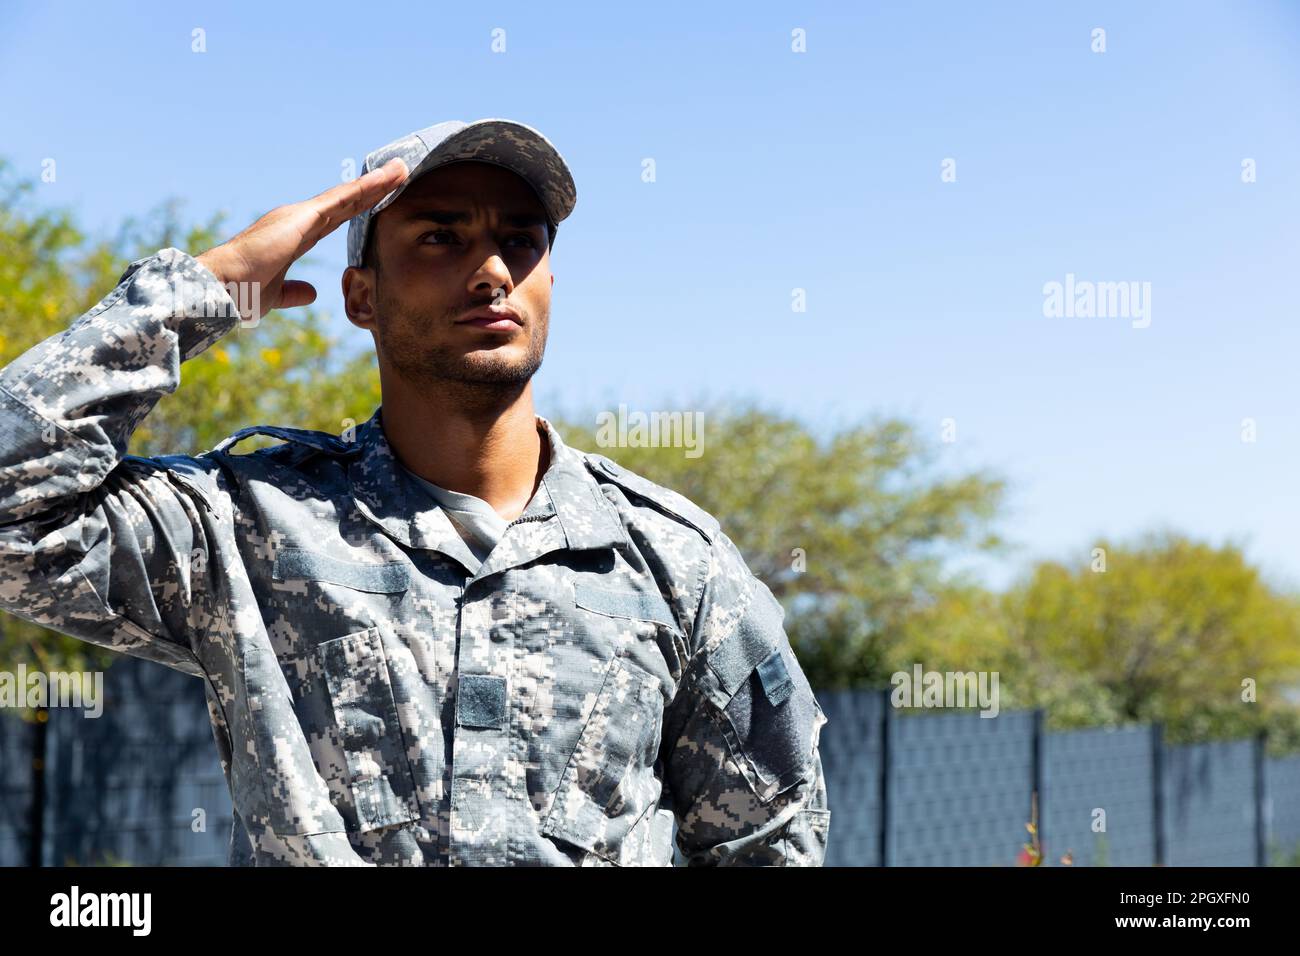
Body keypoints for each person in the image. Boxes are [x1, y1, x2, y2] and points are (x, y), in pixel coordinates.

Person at [0, 118, 830, 866]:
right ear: (362, 296)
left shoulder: (675, 565)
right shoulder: (249, 524)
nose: (493, 271)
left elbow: (773, 843)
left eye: (522, 240)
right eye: (441, 237)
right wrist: (206, 290)